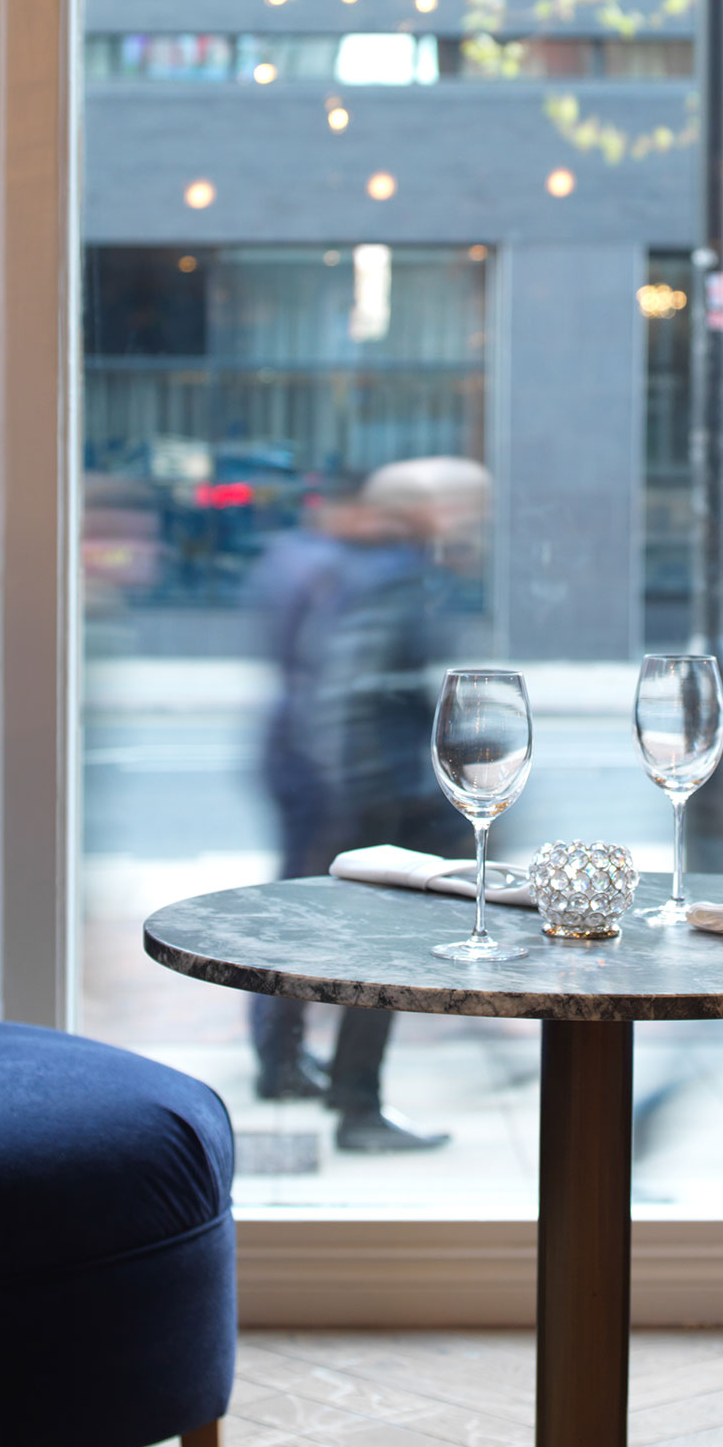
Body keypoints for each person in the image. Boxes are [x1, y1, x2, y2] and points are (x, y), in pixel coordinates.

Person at [246, 457, 490, 1153]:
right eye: (461, 507)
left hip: (366, 788)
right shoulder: (397, 578)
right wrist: (377, 796)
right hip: (381, 794)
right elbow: (357, 690)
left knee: (351, 936)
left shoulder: (368, 571)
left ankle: (314, 1075)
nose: (470, 522)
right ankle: (357, 1106)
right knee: (383, 947)